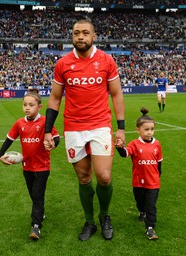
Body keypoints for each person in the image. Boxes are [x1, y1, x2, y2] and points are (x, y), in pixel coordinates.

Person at [43, 19, 125, 241]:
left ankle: (105, 216)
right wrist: (48, 130)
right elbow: (55, 98)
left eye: (85, 33)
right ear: (72, 36)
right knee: (83, 177)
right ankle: (89, 221)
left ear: (94, 36)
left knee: (104, 177)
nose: (80, 37)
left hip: (100, 125)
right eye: (76, 33)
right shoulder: (63, 64)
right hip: (74, 128)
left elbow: (116, 94)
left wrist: (121, 129)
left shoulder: (107, 61)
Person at [0, 88, 60, 240]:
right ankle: (40, 212)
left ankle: (36, 227)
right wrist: (0, 155)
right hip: (27, 166)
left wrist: (53, 143)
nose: (27, 108)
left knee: (38, 194)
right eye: (25, 104)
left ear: (39, 106)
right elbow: (9, 139)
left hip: (43, 166)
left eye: (31, 105)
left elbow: (56, 137)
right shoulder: (19, 123)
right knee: (33, 194)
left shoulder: (45, 121)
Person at [115, 107, 163, 240]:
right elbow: (125, 154)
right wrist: (119, 147)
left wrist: (159, 173)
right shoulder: (134, 144)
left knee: (151, 206)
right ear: (138, 130)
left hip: (153, 181)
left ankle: (150, 228)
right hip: (138, 181)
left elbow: (159, 161)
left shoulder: (157, 144)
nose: (149, 132)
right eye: (146, 129)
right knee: (140, 202)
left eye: (152, 129)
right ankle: (141, 211)